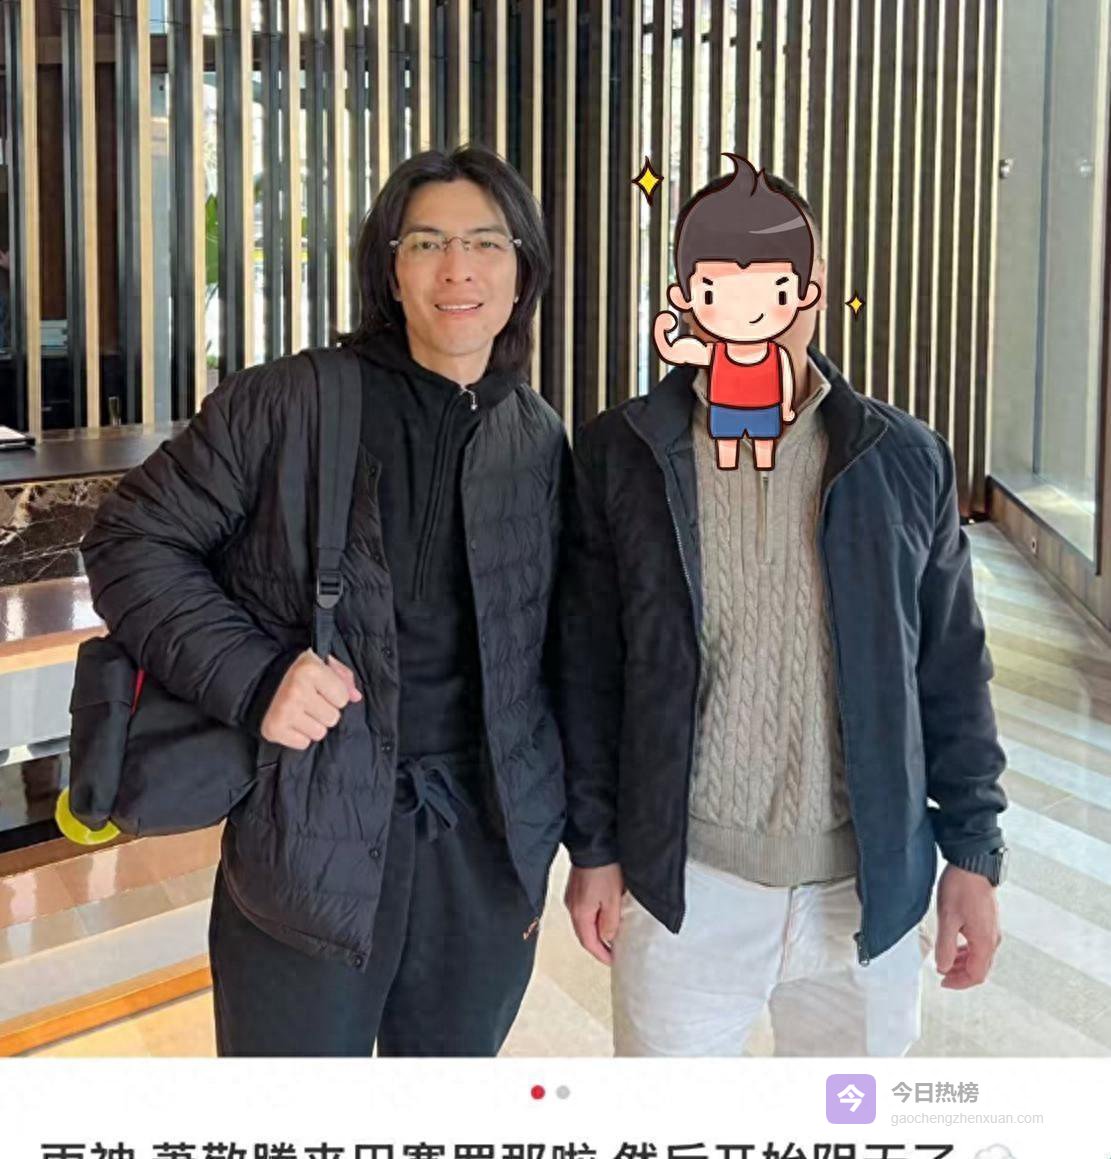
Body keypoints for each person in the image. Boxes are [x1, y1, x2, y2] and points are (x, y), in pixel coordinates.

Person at [81, 145, 568, 1057]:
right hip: (307, 838)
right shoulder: (289, 403)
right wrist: (258, 675)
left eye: (484, 243)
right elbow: (129, 541)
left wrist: (573, 839)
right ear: (390, 268)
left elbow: (557, 654)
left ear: (522, 269)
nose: (457, 269)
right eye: (426, 243)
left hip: (483, 850)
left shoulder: (535, 435)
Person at [559, 164, 1009, 1057]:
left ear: (811, 289)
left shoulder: (902, 458)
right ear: (687, 296)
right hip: (684, 885)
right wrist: (594, 847)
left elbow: (951, 666)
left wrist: (972, 849)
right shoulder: (623, 453)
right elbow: (587, 668)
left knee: (848, 1120)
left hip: (865, 890)